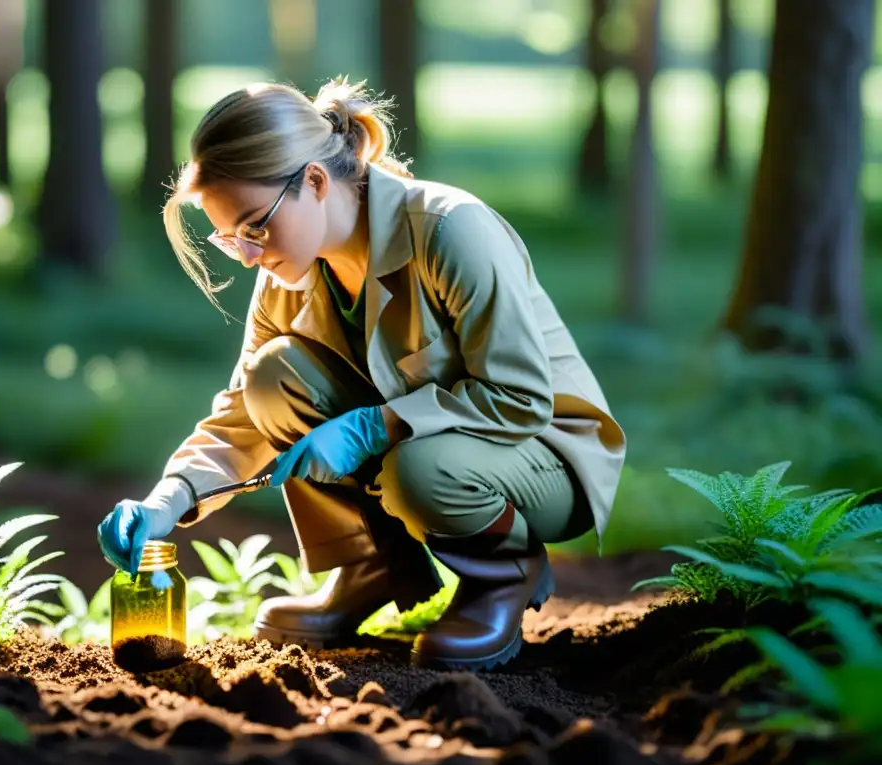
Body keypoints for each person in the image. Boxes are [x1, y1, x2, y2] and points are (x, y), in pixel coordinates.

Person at [97, 76, 626, 671]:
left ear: (316, 183)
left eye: (254, 227)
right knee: (274, 379)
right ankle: (370, 563)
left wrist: (371, 428)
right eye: (229, 239)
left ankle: (502, 573)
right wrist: (168, 500)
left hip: (539, 451)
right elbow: (245, 410)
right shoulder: (287, 270)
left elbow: (521, 398)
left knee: (420, 468)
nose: (248, 255)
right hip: (442, 445)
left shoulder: (450, 230)